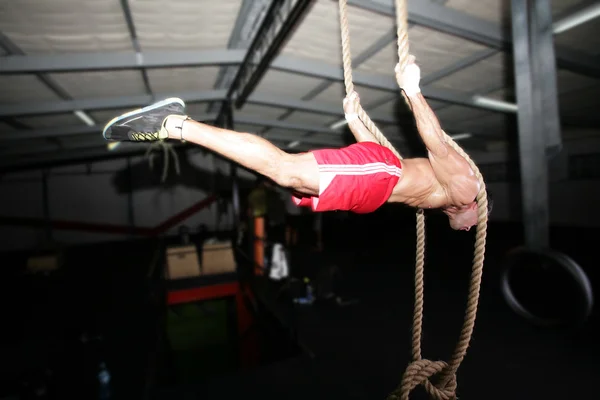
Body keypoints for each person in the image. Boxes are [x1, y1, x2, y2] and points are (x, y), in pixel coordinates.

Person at [102, 56, 491, 231]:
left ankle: (177, 125)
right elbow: (435, 143)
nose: (473, 229)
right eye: (477, 223)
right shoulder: (466, 186)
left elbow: (384, 160)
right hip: (381, 178)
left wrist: (356, 122)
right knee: (286, 169)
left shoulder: (442, 202)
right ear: (474, 206)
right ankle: (174, 124)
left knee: (291, 180)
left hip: (374, 188)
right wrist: (412, 91)